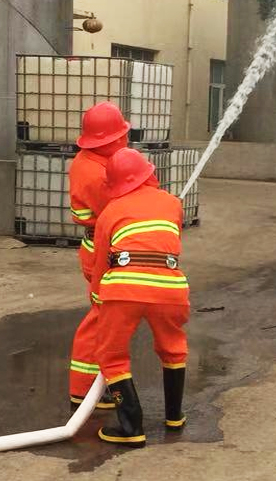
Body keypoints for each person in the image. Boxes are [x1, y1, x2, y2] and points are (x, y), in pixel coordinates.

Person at [90, 148, 189, 448]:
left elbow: (100, 262)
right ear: (148, 174)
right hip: (170, 286)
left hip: (124, 287)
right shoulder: (173, 203)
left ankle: (131, 427)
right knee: (173, 348)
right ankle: (174, 416)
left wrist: (97, 298)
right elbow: (169, 243)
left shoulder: (110, 212)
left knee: (112, 355)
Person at [67, 102, 131, 410]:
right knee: (101, 318)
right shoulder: (94, 173)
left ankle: (94, 384)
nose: (126, 140)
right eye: (122, 136)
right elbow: (122, 208)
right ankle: (83, 390)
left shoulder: (93, 161)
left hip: (101, 247)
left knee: (106, 317)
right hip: (103, 250)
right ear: (108, 140)